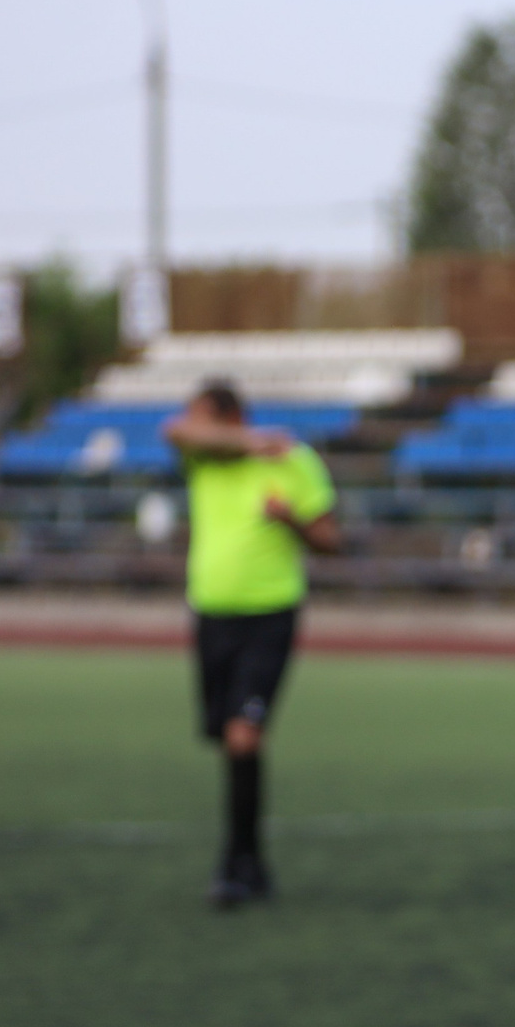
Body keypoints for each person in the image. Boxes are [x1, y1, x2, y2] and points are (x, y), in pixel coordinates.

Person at [162, 379, 340, 908]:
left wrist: (293, 522)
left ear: (228, 416)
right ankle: (254, 864)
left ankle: (237, 863)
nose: (191, 424)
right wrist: (247, 444)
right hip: (211, 615)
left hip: (270, 614)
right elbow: (173, 432)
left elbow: (331, 538)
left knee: (244, 735)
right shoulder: (205, 459)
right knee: (223, 735)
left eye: (201, 416)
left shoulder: (294, 461)